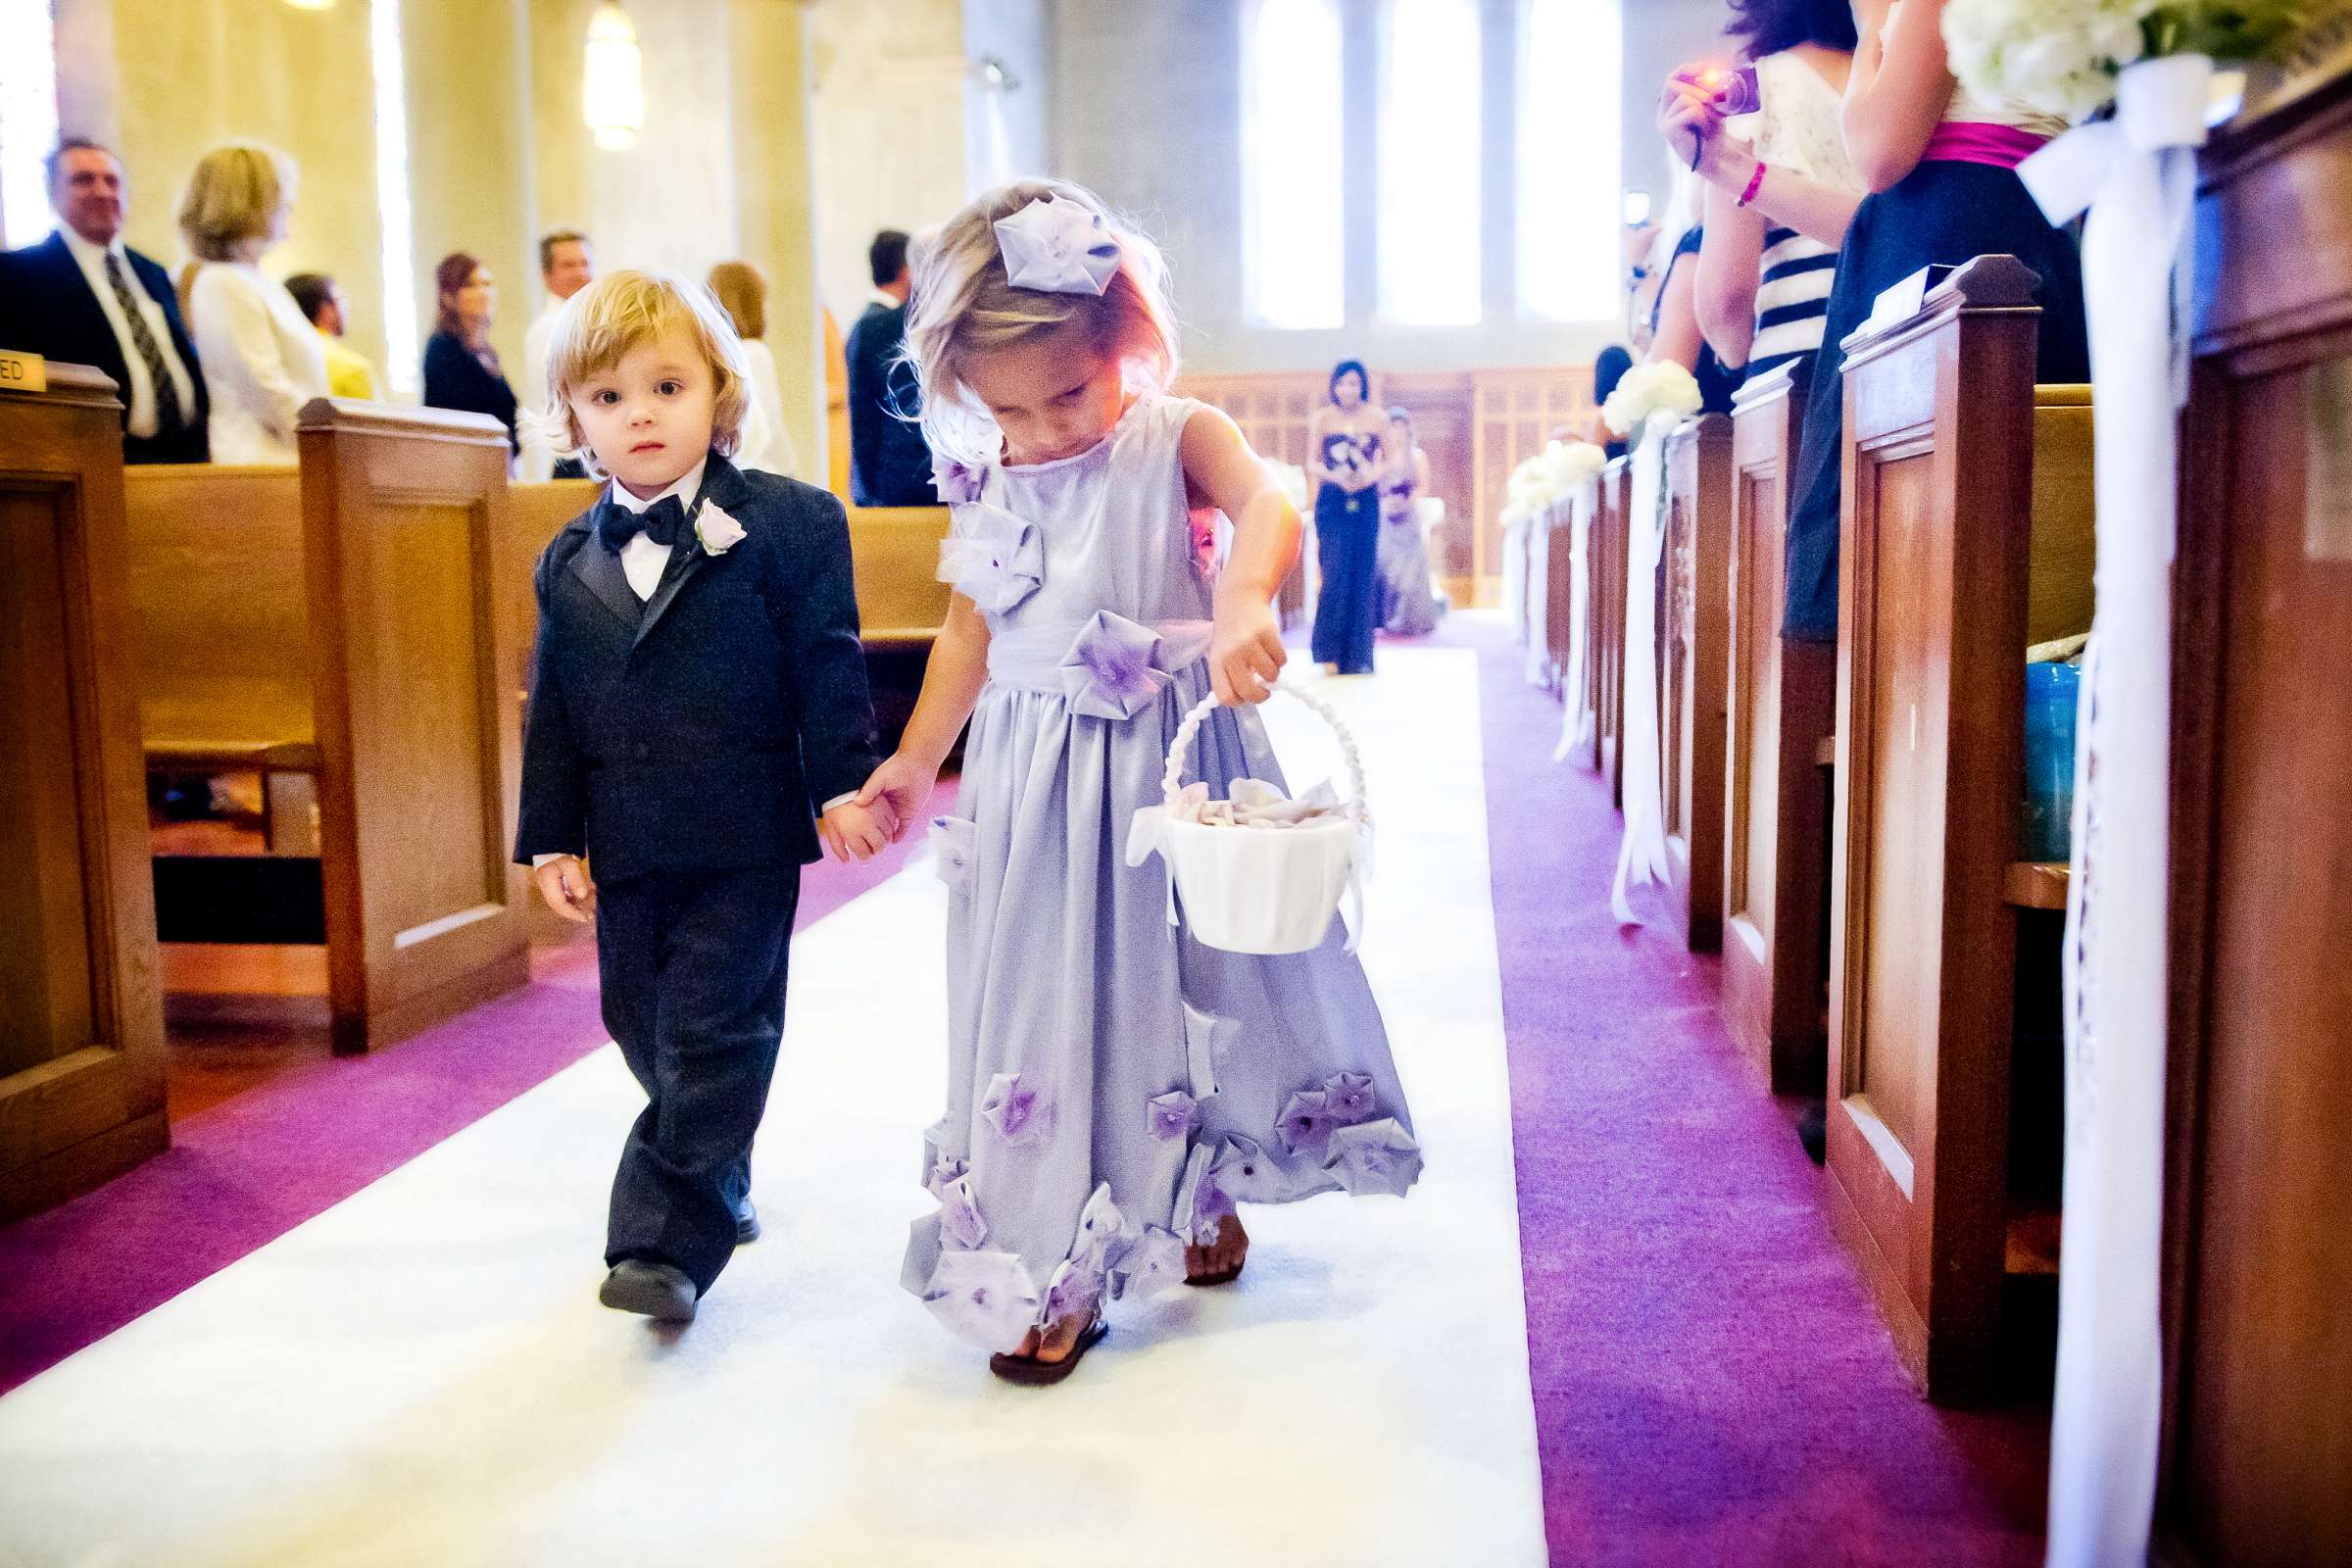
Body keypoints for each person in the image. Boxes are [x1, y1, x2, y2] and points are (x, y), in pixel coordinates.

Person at [855, 179, 1420, 1384]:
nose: (1046, 429)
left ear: (1130, 337)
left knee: (1202, 977)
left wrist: (1242, 599)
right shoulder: (993, 470)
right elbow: (970, 632)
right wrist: (913, 757)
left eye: (1068, 390)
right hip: (1032, 786)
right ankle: (1049, 1250)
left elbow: (1272, 499)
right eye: (1008, 408)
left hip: (1167, 761)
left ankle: (1197, 1186)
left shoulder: (1175, 435)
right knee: (1047, 1004)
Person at [514, 270, 889, 1324]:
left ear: (718, 395)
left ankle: (662, 1241)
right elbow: (556, 708)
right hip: (627, 837)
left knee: (718, 1027)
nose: (640, 413)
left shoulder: (791, 524)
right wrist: (550, 838)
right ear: (576, 418)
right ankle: (720, 1168)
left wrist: (843, 785)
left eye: (667, 387)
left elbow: (828, 663)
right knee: (641, 1022)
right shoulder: (567, 557)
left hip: (744, 833)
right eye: (609, 395)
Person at [1662, 0, 2087, 649]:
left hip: (1922, 285)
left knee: (1904, 572)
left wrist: (1871, 31)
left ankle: (1875, 731)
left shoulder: (1789, 74)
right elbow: (1878, 216)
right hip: (2031, 244)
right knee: (2027, 546)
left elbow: (1876, 159)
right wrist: (1728, 167)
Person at [1663, 0, 1864, 387]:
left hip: (1799, 369)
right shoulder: (1899, 82)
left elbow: (1727, 301)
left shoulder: (1751, 94)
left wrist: (1729, 349)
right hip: (1898, 349)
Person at [0, 137, 208, 463]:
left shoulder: (153, 273)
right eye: (83, 180)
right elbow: (15, 373)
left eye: (112, 181)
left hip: (185, 456)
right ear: (52, 195)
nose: (102, 191)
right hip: (89, 459)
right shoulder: (19, 274)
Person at [176, 142, 327, 467]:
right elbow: (265, 388)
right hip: (261, 461)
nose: (290, 204)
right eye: (281, 194)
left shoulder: (256, 281)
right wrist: (332, 436)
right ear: (251, 202)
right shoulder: (223, 282)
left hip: (291, 456)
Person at [844, 227, 939, 506]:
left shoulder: (871, 327)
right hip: (948, 475)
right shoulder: (947, 323)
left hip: (895, 477)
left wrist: (868, 487)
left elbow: (863, 417)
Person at [1308, 359, 1388, 675]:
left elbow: (1390, 460)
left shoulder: (1377, 418)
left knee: (1362, 574)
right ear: (1334, 386)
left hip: (1366, 499)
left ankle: (1358, 655)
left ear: (1363, 386)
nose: (1348, 389)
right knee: (1334, 572)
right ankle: (1329, 653)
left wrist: (1370, 476)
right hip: (1332, 499)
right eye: (1342, 383)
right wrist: (1335, 477)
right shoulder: (1323, 419)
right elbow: (1311, 463)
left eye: (1354, 383)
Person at [707, 260, 801, 479]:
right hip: (757, 472)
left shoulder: (711, 356)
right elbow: (767, 426)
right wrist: (788, 469)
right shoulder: (753, 353)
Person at [422, 252, 519, 458]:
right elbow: (450, 419)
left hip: (500, 463)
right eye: (470, 285)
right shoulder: (443, 348)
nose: (483, 292)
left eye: (487, 284)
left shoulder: (485, 352)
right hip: (461, 467)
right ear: (448, 296)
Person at [518, 229, 594, 480]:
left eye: (585, 263)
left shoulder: (586, 320)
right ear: (547, 276)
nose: (581, 273)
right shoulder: (551, 328)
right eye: (568, 265)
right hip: (571, 457)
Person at [1374, 406, 1440, 637]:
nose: (1397, 431)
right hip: (1386, 517)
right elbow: (1374, 483)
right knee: (1385, 566)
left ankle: (1409, 621)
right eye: (1393, 426)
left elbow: (1423, 485)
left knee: (1410, 572)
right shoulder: (1380, 455)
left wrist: (1408, 501)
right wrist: (1386, 503)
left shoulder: (1417, 456)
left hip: (1409, 516)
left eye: (1401, 426)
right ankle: (1386, 619)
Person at [283, 272, 378, 400]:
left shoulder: (277, 358)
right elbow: (373, 419)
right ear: (325, 310)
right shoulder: (353, 368)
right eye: (341, 300)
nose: (346, 309)